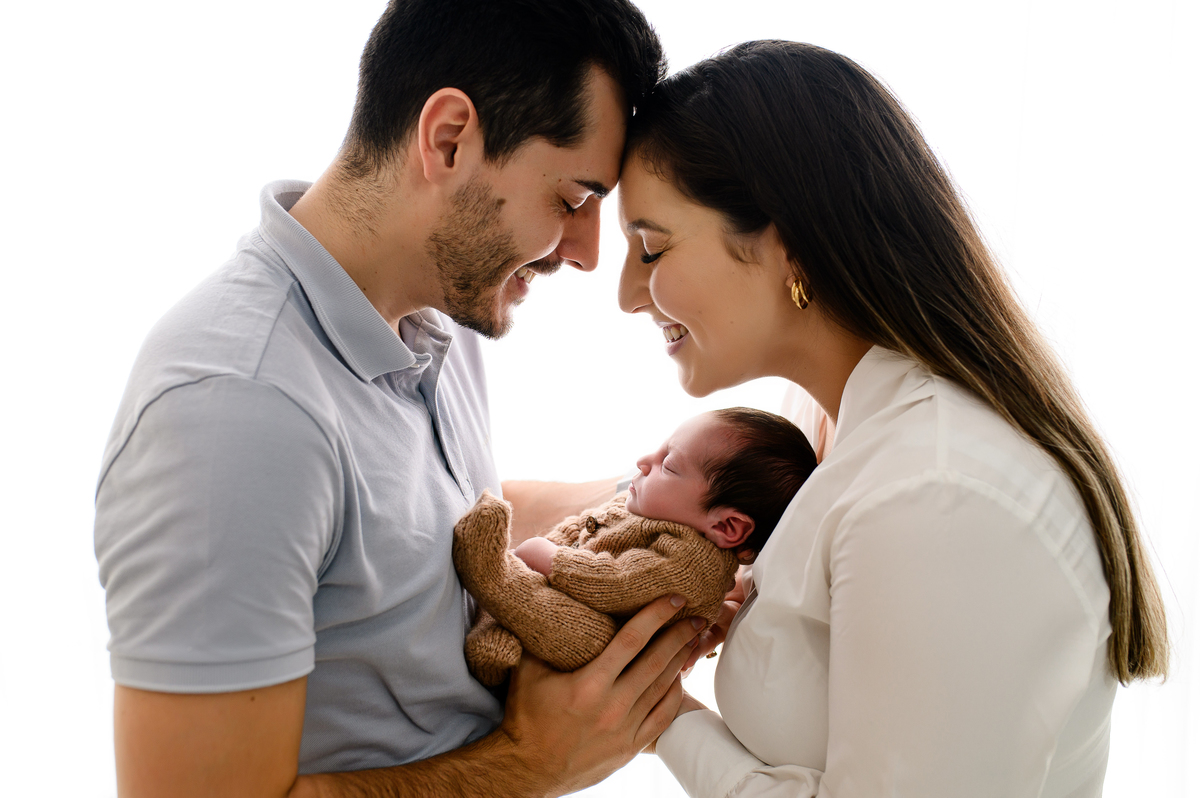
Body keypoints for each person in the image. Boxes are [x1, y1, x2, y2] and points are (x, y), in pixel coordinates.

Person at [92, 2, 705, 797]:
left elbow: (428, 530)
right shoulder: (234, 412)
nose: (588, 255)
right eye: (572, 201)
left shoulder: (431, 311)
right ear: (449, 137)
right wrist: (528, 765)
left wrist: (678, 501)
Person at [615, 40, 1170, 797]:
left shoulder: (936, 493)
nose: (626, 293)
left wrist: (661, 713)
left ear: (789, 246)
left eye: (650, 247)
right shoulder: (828, 426)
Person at [455, 407, 817, 685]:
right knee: (536, 602)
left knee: (582, 632)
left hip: (605, 634)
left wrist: (550, 559)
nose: (644, 462)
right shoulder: (641, 506)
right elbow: (580, 528)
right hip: (563, 599)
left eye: (668, 465)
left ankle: (492, 577)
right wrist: (555, 543)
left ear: (727, 525)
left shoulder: (692, 562)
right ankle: (495, 643)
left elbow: (619, 582)